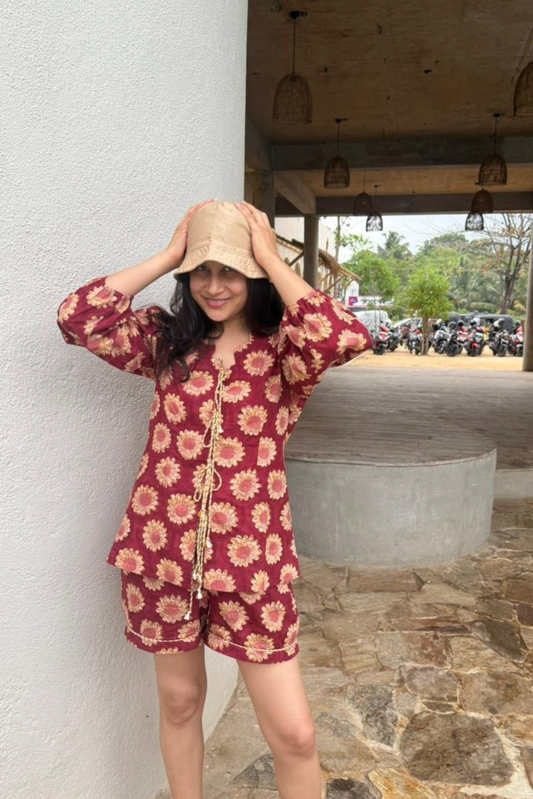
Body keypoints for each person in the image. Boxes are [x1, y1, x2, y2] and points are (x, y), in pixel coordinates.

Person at [56, 199, 372, 799]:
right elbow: (79, 317)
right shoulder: (165, 343)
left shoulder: (288, 353)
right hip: (161, 556)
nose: (215, 285)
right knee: (178, 703)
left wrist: (272, 259)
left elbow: (346, 334)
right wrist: (171, 254)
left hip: (255, 563)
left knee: (296, 734)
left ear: (254, 274)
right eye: (202, 271)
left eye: (230, 270)